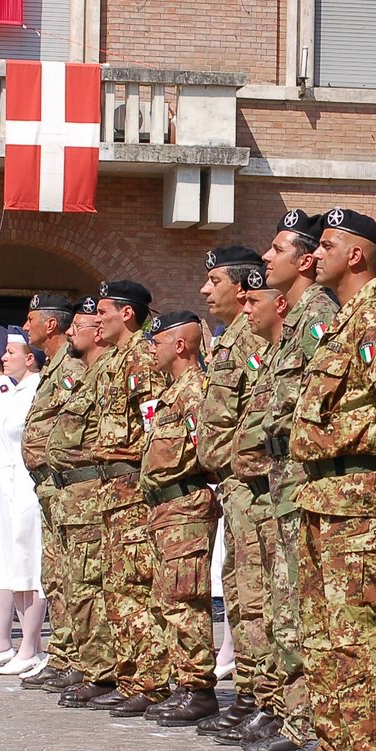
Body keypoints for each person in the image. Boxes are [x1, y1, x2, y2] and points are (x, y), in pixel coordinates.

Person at [284, 209, 376, 751]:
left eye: (327, 244)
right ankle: (336, 738)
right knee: (324, 627)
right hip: (322, 492)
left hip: (360, 494)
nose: (316, 254)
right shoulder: (339, 322)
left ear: (356, 255)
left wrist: (327, 438)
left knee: (362, 626)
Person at [244, 211, 341, 751]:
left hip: (305, 481)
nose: (266, 258)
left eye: (276, 249)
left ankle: (310, 721)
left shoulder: (319, 317)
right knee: (286, 604)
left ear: (304, 260)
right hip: (284, 481)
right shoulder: (297, 321)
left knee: (301, 605)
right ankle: (297, 714)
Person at [192, 246, 272, 734]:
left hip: (250, 481)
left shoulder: (251, 337)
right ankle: (251, 690)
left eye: (215, 279)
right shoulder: (232, 337)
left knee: (256, 594)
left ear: (243, 287)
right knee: (240, 593)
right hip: (232, 482)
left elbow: (258, 410)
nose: (206, 288)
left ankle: (263, 695)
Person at [81, 282, 169, 716]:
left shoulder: (144, 358)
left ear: (128, 314)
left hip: (134, 487)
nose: (98, 319)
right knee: (116, 587)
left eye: (104, 311)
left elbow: (153, 426)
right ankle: (130, 673)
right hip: (110, 490)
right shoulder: (114, 360)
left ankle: (150, 680)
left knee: (135, 586)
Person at [138, 310, 223, 726]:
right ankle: (182, 683)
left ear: (181, 346)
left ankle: (199, 689)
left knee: (186, 601)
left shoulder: (194, 392)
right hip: (165, 509)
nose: (151, 349)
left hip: (186, 506)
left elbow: (206, 452)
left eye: (158, 342)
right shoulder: (172, 394)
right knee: (167, 600)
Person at [43, 300, 121, 703]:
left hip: (90, 494)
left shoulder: (108, 373)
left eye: (81, 325)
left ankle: (101, 671)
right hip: (69, 495)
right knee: (71, 584)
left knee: (90, 584)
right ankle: (86, 664)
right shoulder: (89, 373)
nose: (71, 332)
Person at [0, 324, 47, 675]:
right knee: (13, 564)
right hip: (7, 486)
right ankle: (24, 645)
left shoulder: (36, 390)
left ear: (30, 359)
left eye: (10, 353)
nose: (3, 357)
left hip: (27, 486)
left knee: (29, 564)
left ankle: (30, 644)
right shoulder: (16, 391)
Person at [18, 295, 87, 686]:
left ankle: (78, 658)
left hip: (70, 489)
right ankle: (63, 654)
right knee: (57, 575)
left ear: (50, 325)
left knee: (74, 575)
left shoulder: (73, 368)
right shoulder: (53, 369)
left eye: (31, 320)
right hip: (49, 488)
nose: (25, 327)